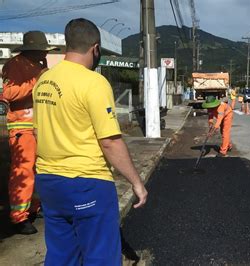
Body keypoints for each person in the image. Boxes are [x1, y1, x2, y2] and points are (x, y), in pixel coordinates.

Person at [33, 18, 147, 265]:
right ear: (95, 48)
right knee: (100, 256)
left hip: (48, 182)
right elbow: (110, 142)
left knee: (61, 255)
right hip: (86, 182)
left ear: (68, 44)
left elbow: (36, 132)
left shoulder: (44, 81)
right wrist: (137, 183)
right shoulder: (93, 82)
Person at [2, 31, 58, 234]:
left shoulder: (38, 67)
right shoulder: (15, 65)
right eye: (41, 51)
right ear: (31, 50)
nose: (44, 54)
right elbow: (7, 93)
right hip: (22, 128)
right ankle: (19, 218)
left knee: (38, 170)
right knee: (23, 171)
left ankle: (33, 209)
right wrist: (37, 80)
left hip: (38, 127)